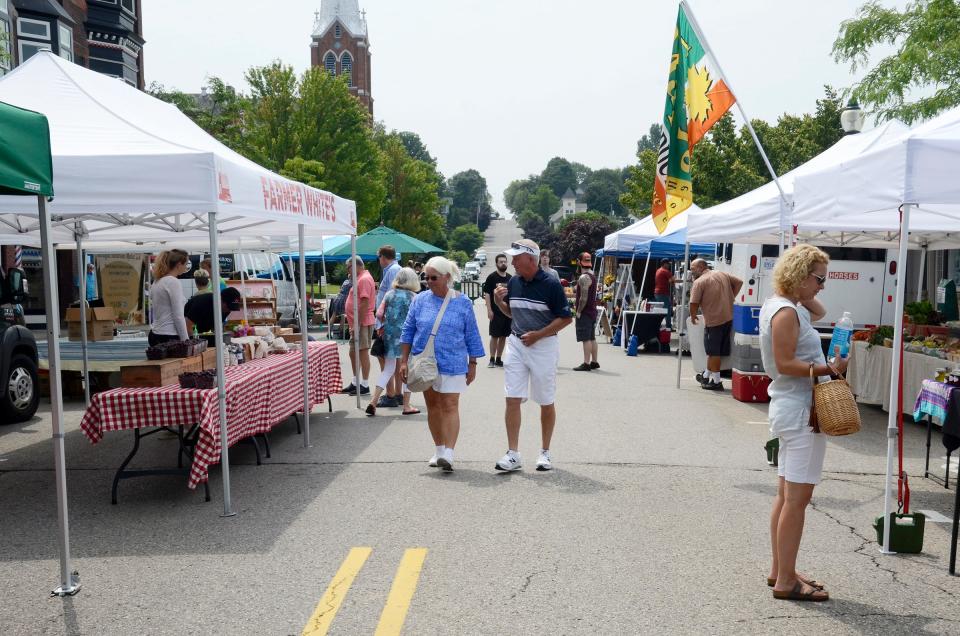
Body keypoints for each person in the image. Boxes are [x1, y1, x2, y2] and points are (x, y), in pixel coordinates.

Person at [760, 244, 845, 603]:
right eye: (819, 278)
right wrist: (828, 368)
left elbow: (822, 309)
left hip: (792, 410)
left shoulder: (785, 305)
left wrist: (805, 288)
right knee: (797, 499)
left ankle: (783, 570)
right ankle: (786, 582)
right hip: (800, 412)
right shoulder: (786, 312)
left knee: (786, 496)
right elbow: (784, 364)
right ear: (799, 275)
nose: (822, 286)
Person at [493, 239, 572, 472]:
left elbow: (566, 318)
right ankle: (513, 454)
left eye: (516, 257)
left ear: (530, 258)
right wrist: (499, 303)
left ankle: (545, 453)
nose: (512, 262)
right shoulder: (514, 282)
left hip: (543, 346)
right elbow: (512, 313)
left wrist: (539, 334)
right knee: (512, 398)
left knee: (545, 400)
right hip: (516, 343)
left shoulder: (551, 284)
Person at [399, 256, 485, 471]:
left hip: (454, 362)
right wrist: (403, 362)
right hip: (425, 362)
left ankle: (449, 452)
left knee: (450, 405)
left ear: (447, 277)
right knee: (433, 407)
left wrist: (472, 363)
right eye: (425, 277)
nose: (429, 281)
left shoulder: (463, 302)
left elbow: (472, 334)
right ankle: (438, 450)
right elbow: (407, 331)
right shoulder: (419, 300)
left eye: (433, 277)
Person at [366, 268, 421, 416]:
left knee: (388, 369)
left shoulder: (389, 294)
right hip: (407, 339)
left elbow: (378, 314)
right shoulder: (414, 297)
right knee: (407, 370)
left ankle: (373, 401)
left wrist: (387, 322)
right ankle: (407, 406)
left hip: (390, 336)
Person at [689, 258, 742, 391]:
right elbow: (739, 282)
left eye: (693, 268)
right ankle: (706, 375)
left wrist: (693, 315)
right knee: (716, 352)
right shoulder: (721, 274)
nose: (691, 271)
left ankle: (716, 381)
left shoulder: (699, 282)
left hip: (713, 320)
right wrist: (731, 296)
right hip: (728, 317)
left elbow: (693, 302)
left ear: (701, 267)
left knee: (713, 353)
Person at [342, 256, 376, 396]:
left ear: (356, 266)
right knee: (353, 351)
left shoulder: (364, 279)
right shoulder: (361, 278)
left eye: (348, 268)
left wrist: (357, 324)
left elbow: (364, 303)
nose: (348, 271)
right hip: (356, 323)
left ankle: (365, 384)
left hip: (362, 322)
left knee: (362, 352)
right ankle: (356, 382)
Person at [374, 245, 402, 407]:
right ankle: (397, 393)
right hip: (391, 321)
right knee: (396, 360)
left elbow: (390, 297)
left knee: (385, 359)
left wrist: (383, 322)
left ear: (383, 256)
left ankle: (390, 394)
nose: (379, 261)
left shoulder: (392, 270)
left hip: (388, 322)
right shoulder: (393, 269)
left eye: (379, 257)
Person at [149, 249, 190, 346]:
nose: (186, 267)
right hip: (169, 336)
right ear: (179, 264)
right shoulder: (173, 282)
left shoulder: (157, 281)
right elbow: (178, 316)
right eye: (186, 264)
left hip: (155, 333)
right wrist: (186, 340)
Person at [482, 253, 512, 368]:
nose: (503, 263)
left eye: (505, 261)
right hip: (495, 312)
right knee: (494, 336)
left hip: (507, 312)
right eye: (501, 262)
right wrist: (489, 310)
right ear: (496, 264)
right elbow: (488, 294)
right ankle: (491, 359)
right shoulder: (492, 277)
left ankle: (499, 359)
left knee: (504, 336)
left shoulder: (510, 278)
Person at [573, 251, 599, 371]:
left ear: (579, 262)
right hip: (592, 311)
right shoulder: (592, 275)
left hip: (585, 312)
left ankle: (586, 363)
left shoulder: (584, 277)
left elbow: (584, 297)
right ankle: (594, 361)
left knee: (586, 338)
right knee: (592, 337)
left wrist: (578, 311)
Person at [654, 259, 676, 330]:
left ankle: (657, 325)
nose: (669, 265)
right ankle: (668, 326)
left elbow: (669, 281)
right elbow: (673, 280)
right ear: (664, 264)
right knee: (667, 310)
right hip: (663, 293)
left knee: (660, 310)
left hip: (657, 292)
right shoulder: (666, 271)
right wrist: (686, 280)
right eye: (668, 264)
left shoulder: (658, 270)